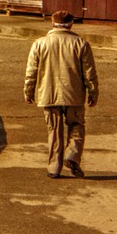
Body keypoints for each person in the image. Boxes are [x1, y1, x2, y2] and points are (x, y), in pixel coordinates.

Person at [25, 11, 98, 177]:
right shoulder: (81, 44)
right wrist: (93, 92)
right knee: (77, 126)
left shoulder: (39, 44)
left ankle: (53, 168)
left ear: (52, 23)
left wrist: (28, 91)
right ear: (71, 24)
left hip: (48, 95)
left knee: (54, 130)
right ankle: (72, 155)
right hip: (74, 95)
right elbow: (89, 73)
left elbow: (31, 72)